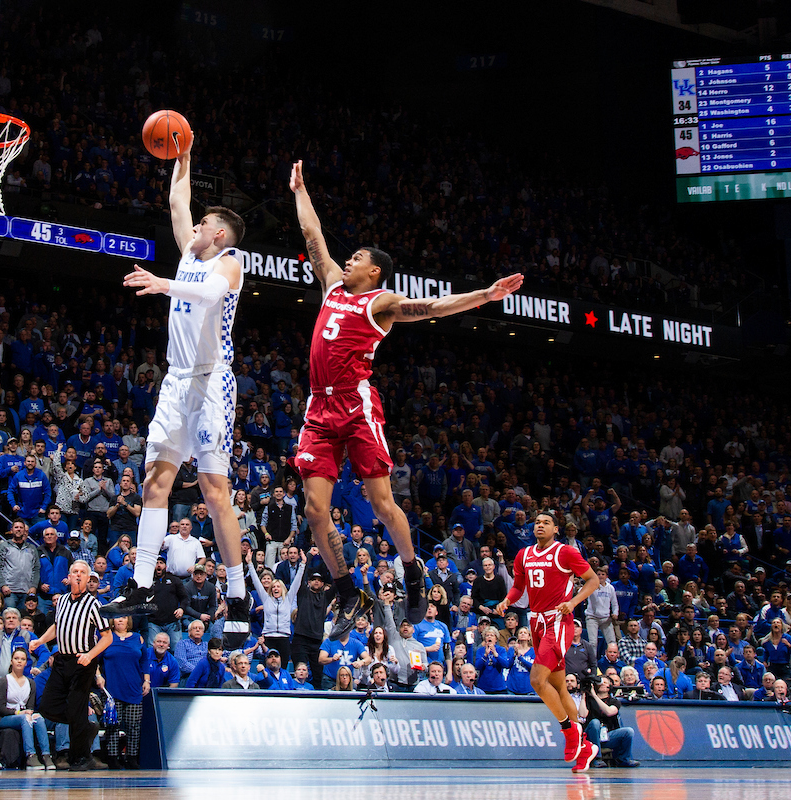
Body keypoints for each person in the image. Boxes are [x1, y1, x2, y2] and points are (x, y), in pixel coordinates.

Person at [289, 160, 524, 633]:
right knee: (314, 509)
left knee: (380, 503)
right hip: (319, 407)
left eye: (357, 257)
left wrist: (483, 295)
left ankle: (413, 569)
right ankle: (347, 592)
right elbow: (313, 234)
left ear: (375, 271)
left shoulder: (382, 302)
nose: (348, 260)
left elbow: (435, 307)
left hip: (356, 406)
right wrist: (300, 190)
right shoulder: (333, 286)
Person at [102, 142, 250, 654]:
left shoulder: (231, 262)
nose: (192, 229)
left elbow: (210, 296)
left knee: (213, 491)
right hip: (176, 380)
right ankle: (142, 585)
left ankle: (236, 593)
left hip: (211, 383)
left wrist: (164, 285)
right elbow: (176, 204)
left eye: (202, 224)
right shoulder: (192, 251)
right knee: (153, 482)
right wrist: (184, 156)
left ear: (221, 233)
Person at [495, 511, 601, 772]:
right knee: (559, 686)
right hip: (536, 622)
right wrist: (508, 600)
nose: (540, 526)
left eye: (546, 523)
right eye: (537, 523)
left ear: (556, 529)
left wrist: (574, 602)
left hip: (559, 622)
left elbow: (593, 580)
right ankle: (586, 746)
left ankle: (569, 731)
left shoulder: (565, 552)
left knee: (536, 680)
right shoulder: (524, 555)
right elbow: (519, 586)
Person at [29, 560, 113, 771]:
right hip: (61, 661)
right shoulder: (63, 600)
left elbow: (107, 637)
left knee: (76, 708)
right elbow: (57, 627)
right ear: (68, 576)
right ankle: (86, 727)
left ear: (87, 579)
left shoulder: (94, 605)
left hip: (82, 662)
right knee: (47, 706)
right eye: (74, 571)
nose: (78, 575)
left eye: (82, 573)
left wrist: (90, 655)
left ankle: (81, 759)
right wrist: (40, 641)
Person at [100, 615, 148, 769]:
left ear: (128, 621)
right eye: (116, 618)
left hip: (134, 687)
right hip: (112, 689)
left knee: (134, 725)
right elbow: (95, 658)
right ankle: (113, 757)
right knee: (113, 724)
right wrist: (97, 676)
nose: (120, 620)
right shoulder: (106, 638)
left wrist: (147, 680)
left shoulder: (138, 638)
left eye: (123, 618)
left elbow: (145, 660)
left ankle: (132, 757)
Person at [0, 647, 54, 770]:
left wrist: (27, 713)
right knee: (25, 718)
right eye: (16, 658)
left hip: (24, 715)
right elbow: (0, 708)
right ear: (11, 661)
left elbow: (30, 707)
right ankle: (30, 755)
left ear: (26, 662)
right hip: (5, 717)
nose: (19, 661)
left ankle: (46, 755)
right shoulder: (4, 681)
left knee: (38, 717)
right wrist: (18, 712)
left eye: (22, 659)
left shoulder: (30, 683)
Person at [582, 675, 640, 769]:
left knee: (628, 731)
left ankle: (623, 759)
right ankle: (597, 758)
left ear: (609, 686)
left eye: (605, 682)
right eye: (600, 682)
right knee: (595, 722)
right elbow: (583, 714)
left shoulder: (614, 701)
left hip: (607, 735)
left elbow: (609, 712)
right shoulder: (589, 699)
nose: (602, 684)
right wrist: (584, 695)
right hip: (591, 736)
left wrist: (595, 696)